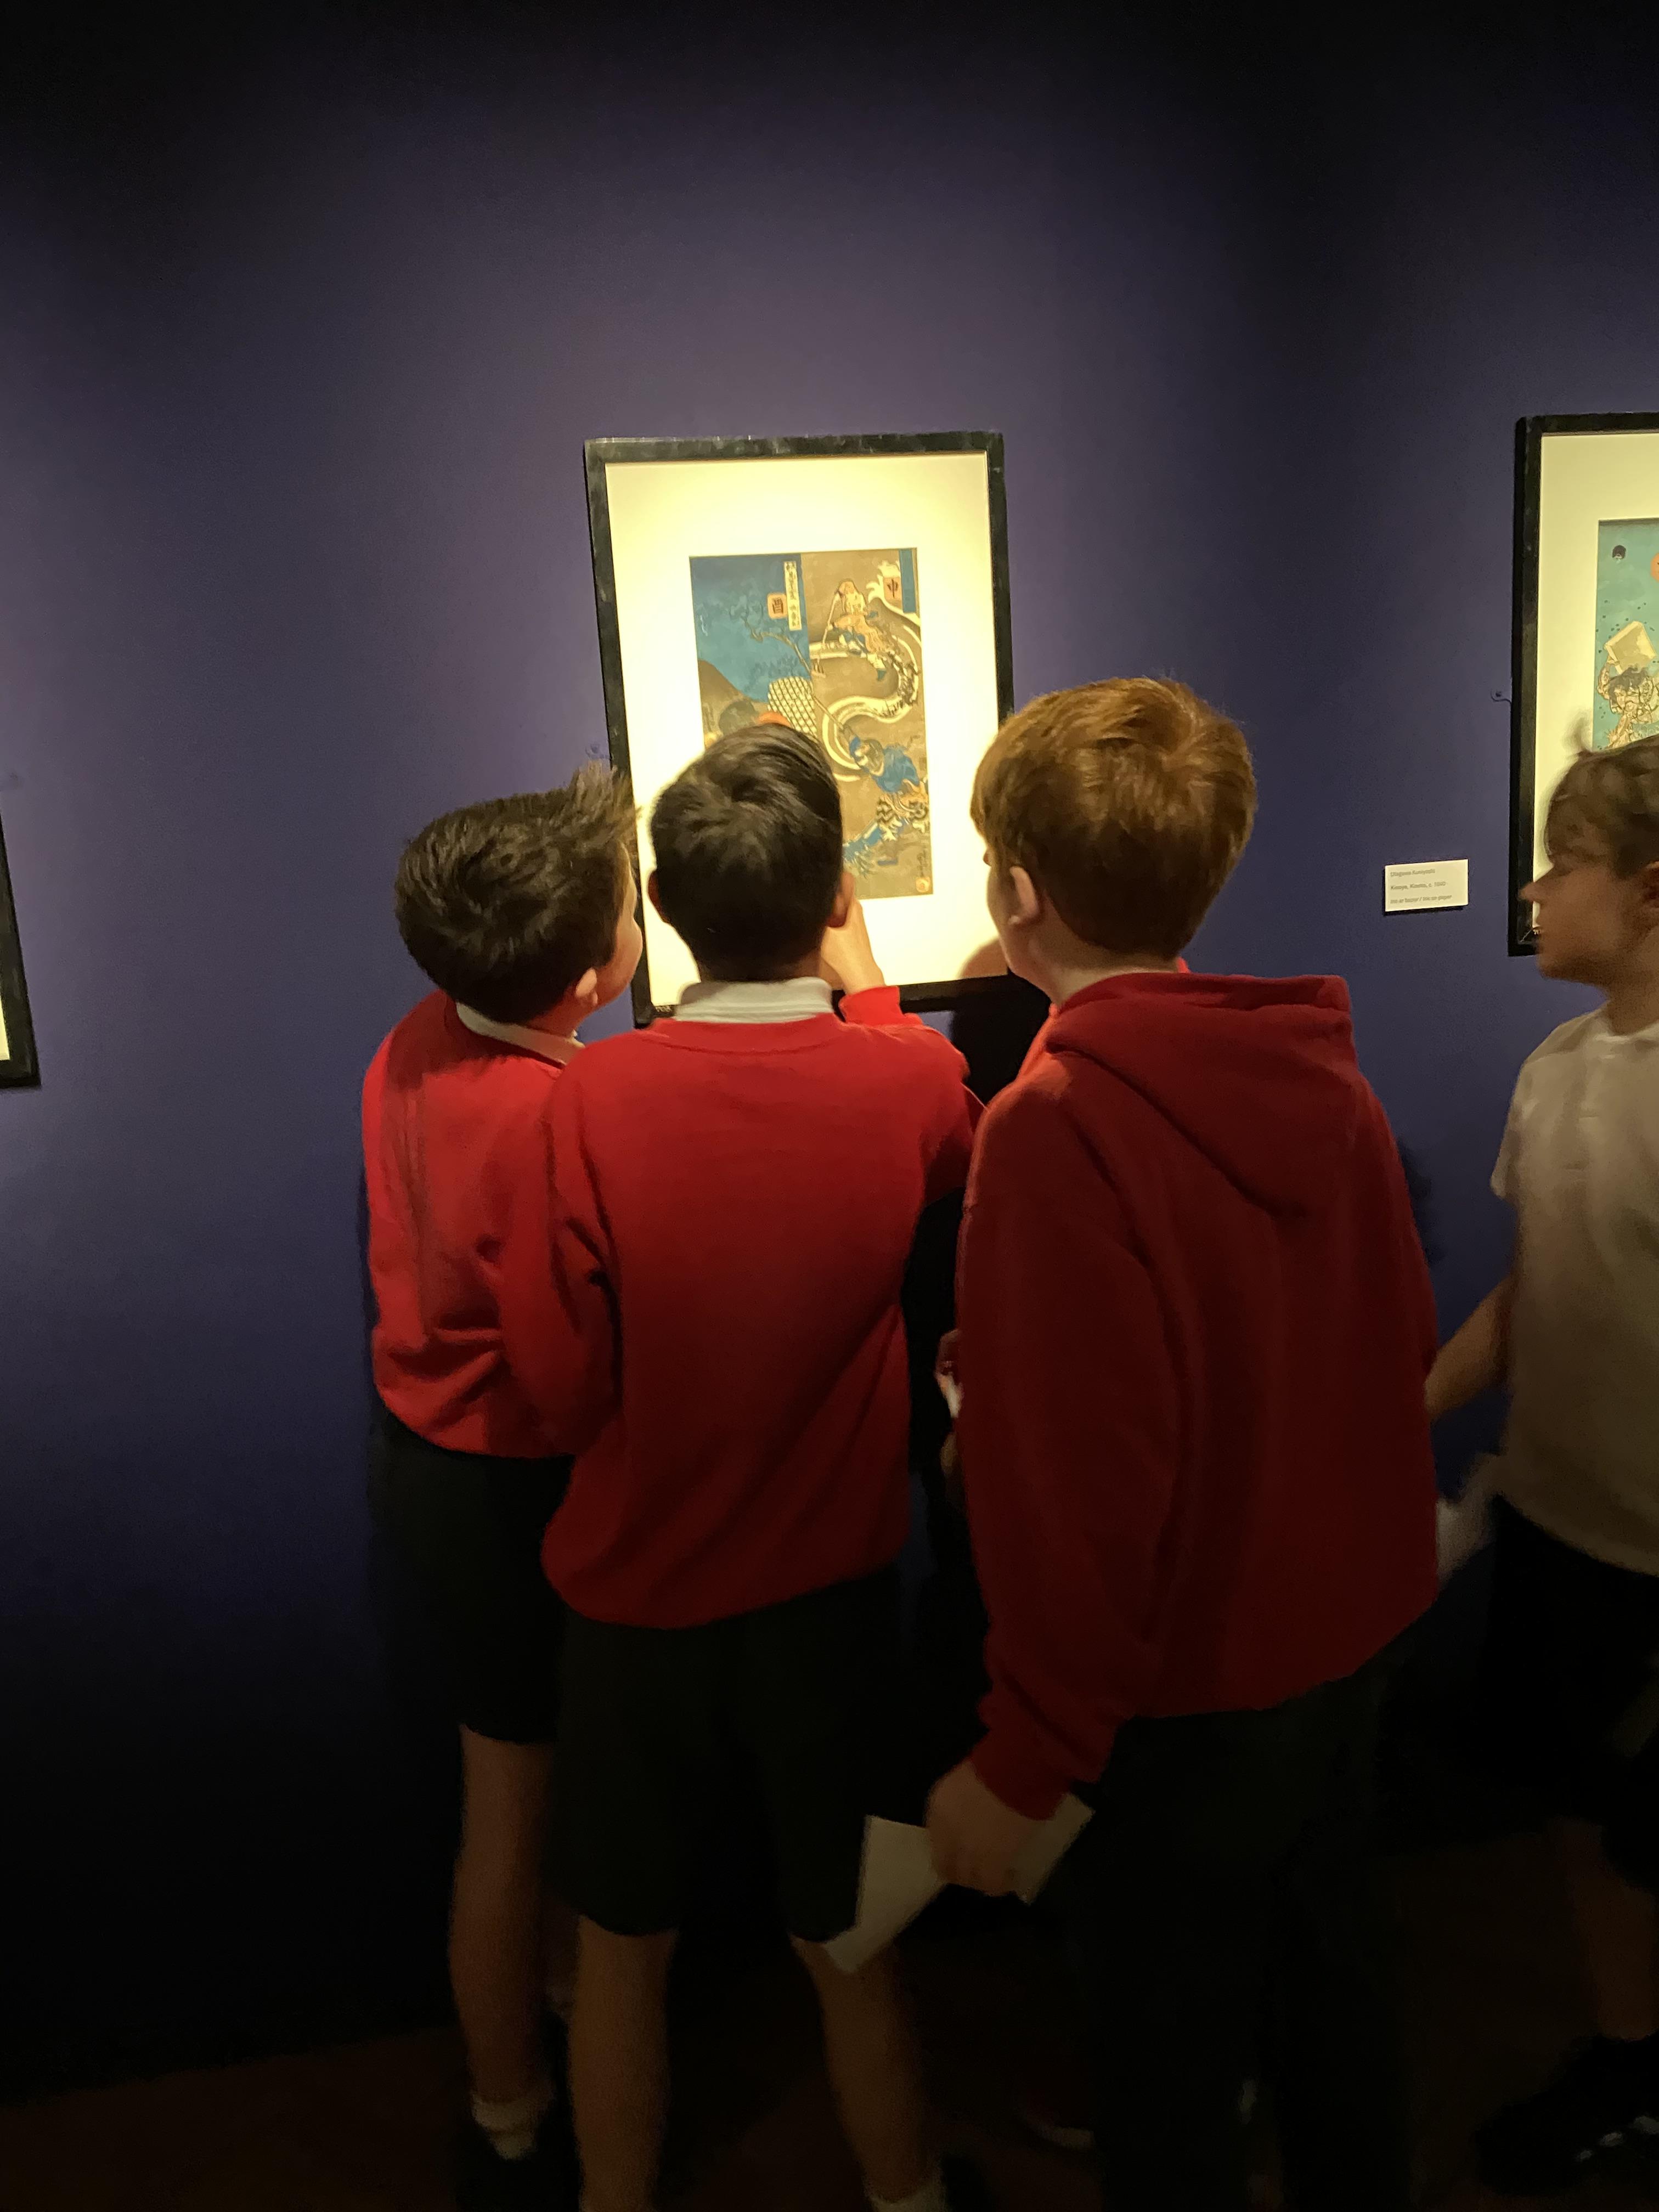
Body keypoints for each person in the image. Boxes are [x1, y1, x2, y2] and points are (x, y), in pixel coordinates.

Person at [926, 678, 1439, 2212]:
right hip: (1348, 1639)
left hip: (1190, 1687)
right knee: (1338, 2009)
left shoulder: (1054, 1122)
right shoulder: (1325, 1077)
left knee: (1166, 2075)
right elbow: (1375, 1346)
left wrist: (1023, 1760)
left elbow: (1085, 1495)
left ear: (1019, 896)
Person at [504, 724, 987, 2212]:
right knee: (849, 1940)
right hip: (827, 1606)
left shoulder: (586, 1102)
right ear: (836, 896)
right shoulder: (914, 1084)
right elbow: (957, 1158)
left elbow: (558, 1387)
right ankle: (906, 2195)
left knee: (622, 1949)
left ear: (660, 905)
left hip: (634, 1605)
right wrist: (874, 991)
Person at [362, 770, 642, 2211]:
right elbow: (569, 1365)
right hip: (523, 1486)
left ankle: (519, 2088)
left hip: (428, 1463)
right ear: (595, 973)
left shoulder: (417, 1035)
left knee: (510, 1801)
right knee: (533, 1813)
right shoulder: (565, 1110)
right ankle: (521, 2113)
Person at [1426, 735, 1659, 2197]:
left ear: (1649, 891)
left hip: (1656, 1559)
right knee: (1578, 1821)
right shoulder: (1556, 1067)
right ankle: (1630, 2060)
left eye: (1562, 865)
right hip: (1557, 1522)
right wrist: (1397, 1411)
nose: (1533, 890)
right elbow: (1534, 1295)